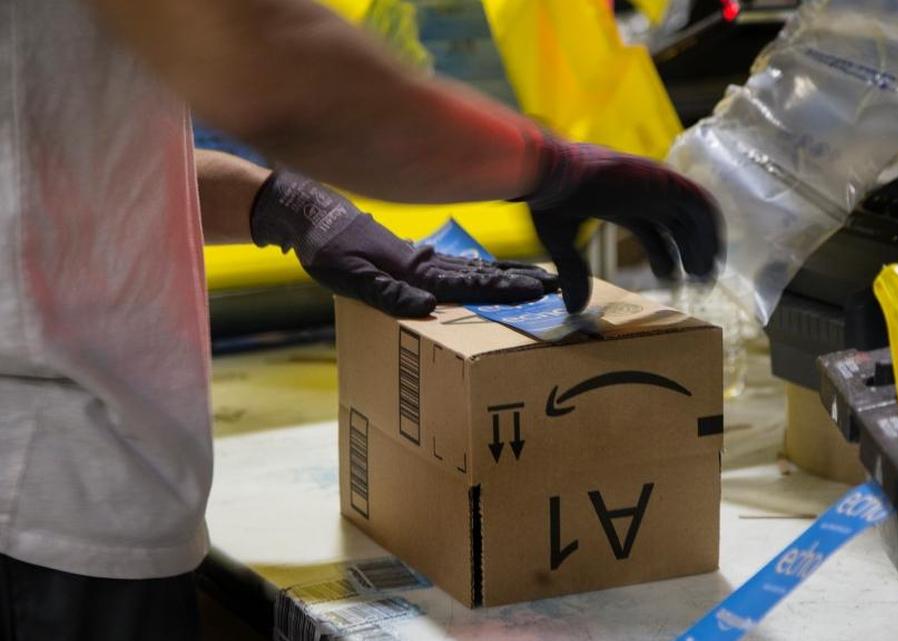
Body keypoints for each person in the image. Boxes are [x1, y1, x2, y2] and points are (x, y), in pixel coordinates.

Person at [0, 0, 722, 639]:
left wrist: (280, 205)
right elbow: (264, 60)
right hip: (48, 512)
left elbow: (63, 152)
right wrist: (543, 163)